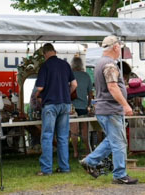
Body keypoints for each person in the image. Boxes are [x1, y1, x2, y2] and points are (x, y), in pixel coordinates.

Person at [79, 35, 138, 184]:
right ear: (116, 47)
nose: (121, 51)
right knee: (119, 143)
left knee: (113, 140)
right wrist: (125, 105)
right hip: (111, 109)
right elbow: (112, 86)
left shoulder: (100, 63)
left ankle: (90, 161)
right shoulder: (110, 65)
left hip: (105, 108)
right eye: (120, 47)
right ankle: (119, 175)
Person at [35, 43, 77, 175]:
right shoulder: (65, 65)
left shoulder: (45, 66)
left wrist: (37, 95)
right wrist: (66, 94)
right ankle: (64, 167)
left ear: (44, 53)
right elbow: (74, 84)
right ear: (54, 51)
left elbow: (40, 88)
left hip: (50, 105)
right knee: (63, 137)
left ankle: (46, 169)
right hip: (65, 103)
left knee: (47, 136)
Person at [70, 56, 92, 158]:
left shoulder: (70, 75)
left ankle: (75, 152)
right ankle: (87, 149)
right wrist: (88, 104)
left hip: (72, 107)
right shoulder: (86, 76)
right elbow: (90, 93)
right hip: (83, 106)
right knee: (84, 130)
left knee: (74, 131)